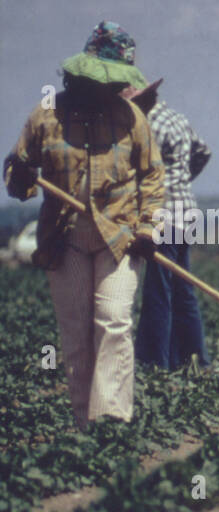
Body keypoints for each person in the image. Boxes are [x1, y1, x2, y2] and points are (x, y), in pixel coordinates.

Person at [4, 21, 164, 429]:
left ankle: (110, 418)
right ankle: (83, 424)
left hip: (120, 236)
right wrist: (19, 177)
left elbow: (153, 178)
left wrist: (148, 228)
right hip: (65, 237)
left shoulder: (131, 118)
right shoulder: (47, 115)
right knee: (76, 331)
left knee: (113, 320)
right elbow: (16, 170)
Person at [125, 78, 211, 370]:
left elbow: (137, 170)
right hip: (186, 211)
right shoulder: (177, 118)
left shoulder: (148, 127)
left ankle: (154, 363)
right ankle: (193, 359)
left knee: (158, 291)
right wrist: (181, 181)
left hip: (163, 216)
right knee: (181, 289)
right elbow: (203, 152)